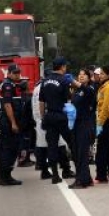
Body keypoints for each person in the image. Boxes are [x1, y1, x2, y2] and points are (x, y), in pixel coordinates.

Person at [39, 56, 76, 184]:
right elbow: (69, 100)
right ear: (62, 67)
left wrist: (44, 117)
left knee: (52, 146)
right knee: (72, 142)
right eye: (65, 66)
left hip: (50, 116)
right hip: (62, 116)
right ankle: (78, 170)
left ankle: (55, 175)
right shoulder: (64, 81)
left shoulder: (45, 81)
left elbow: (41, 102)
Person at [0, 64, 25, 186]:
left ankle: (6, 175)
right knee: (9, 148)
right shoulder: (8, 85)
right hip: (8, 122)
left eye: (19, 72)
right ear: (8, 73)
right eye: (15, 73)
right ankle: (4, 177)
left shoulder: (12, 85)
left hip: (10, 121)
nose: (17, 75)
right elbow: (7, 105)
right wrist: (13, 123)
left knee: (10, 148)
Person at [69, 69, 96, 189]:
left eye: (84, 75)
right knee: (77, 153)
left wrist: (75, 82)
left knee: (82, 154)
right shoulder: (77, 91)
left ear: (89, 78)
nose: (81, 76)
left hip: (85, 124)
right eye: (79, 74)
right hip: (76, 124)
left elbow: (89, 94)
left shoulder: (90, 89)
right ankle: (87, 178)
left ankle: (82, 180)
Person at [95, 65, 109, 183]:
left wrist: (99, 123)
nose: (100, 75)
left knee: (102, 149)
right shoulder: (105, 86)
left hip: (106, 121)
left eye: (102, 73)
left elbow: (105, 107)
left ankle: (101, 175)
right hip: (107, 121)